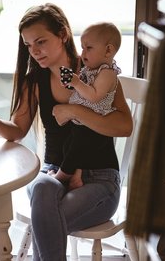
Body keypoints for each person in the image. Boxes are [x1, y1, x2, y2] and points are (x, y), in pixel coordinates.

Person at [0, 3, 132, 261]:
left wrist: (74, 110)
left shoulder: (91, 71)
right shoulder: (35, 81)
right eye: (29, 45)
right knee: (41, 189)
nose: (35, 51)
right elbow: (16, 130)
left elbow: (124, 125)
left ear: (62, 35)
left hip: (100, 181)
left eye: (41, 41)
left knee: (49, 217)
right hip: (55, 174)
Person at [52, 22, 122, 189]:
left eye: (88, 48)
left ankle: (61, 176)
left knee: (76, 148)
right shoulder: (92, 70)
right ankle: (77, 175)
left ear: (108, 50)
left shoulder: (108, 73)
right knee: (69, 145)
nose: (82, 54)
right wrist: (72, 83)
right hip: (82, 123)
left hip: (93, 125)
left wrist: (76, 82)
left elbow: (95, 97)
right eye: (82, 48)